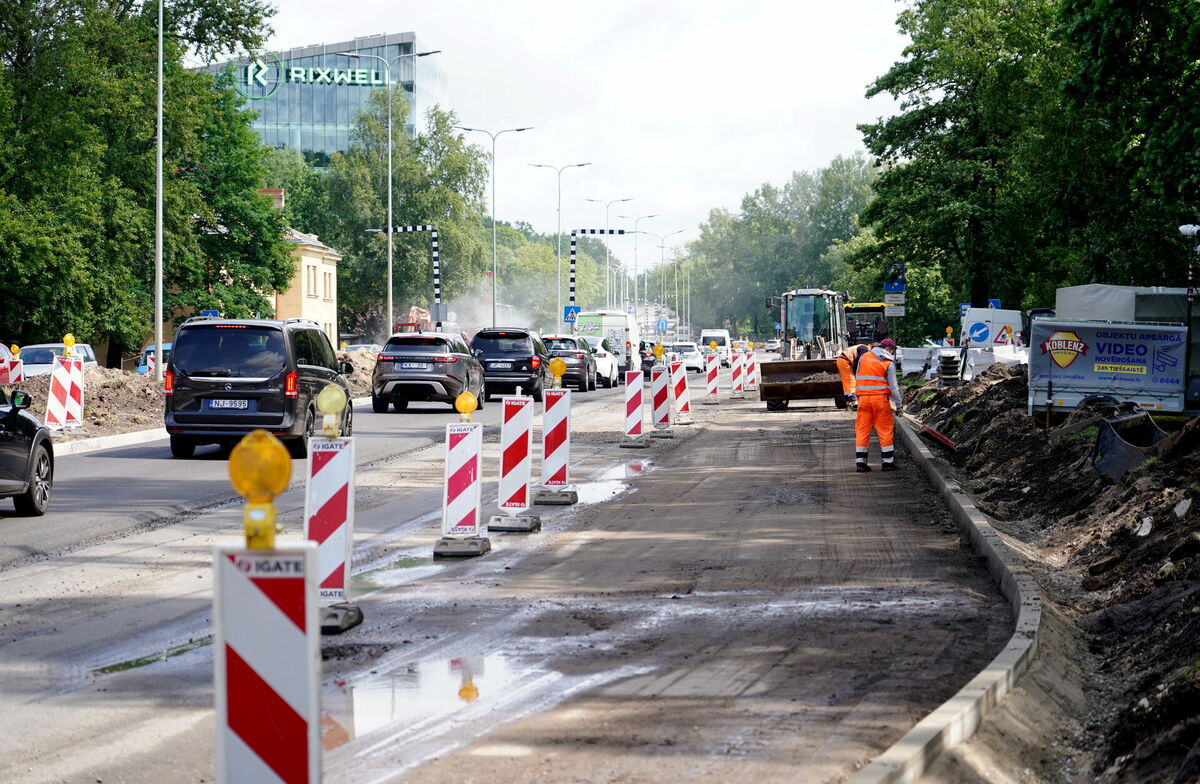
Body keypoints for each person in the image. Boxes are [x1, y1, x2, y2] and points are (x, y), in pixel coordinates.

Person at [853, 338, 903, 472]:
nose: (892, 354)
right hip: (880, 400)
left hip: (863, 399)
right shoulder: (887, 362)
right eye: (892, 351)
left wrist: (857, 397)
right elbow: (894, 387)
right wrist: (899, 406)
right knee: (885, 429)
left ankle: (860, 463)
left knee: (862, 430)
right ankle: (887, 462)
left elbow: (857, 376)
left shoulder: (863, 357)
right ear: (887, 349)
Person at [835, 343, 869, 409]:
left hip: (843, 360)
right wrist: (856, 371)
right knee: (851, 381)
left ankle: (848, 400)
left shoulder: (863, 347)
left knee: (847, 382)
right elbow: (858, 360)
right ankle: (854, 401)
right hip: (845, 361)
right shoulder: (865, 349)